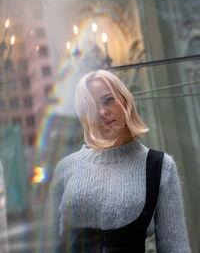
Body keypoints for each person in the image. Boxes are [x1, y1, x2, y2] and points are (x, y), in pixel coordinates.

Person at [42, 69, 190, 253]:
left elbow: (175, 246)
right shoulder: (66, 168)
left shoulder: (160, 166)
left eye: (108, 100)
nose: (102, 112)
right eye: (91, 108)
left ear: (125, 100)